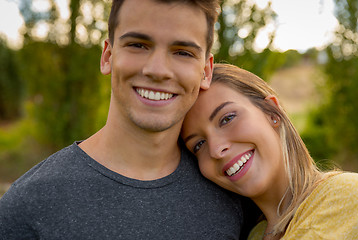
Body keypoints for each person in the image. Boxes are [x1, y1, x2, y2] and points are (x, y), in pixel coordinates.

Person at [0, 1, 250, 239]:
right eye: (138, 45)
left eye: (183, 52)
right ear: (108, 56)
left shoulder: (233, 191)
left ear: (205, 72)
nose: (158, 70)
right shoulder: (28, 206)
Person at [181, 63, 358, 240]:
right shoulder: (252, 234)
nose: (215, 149)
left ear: (272, 113)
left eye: (227, 118)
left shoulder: (349, 196)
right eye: (199, 144)